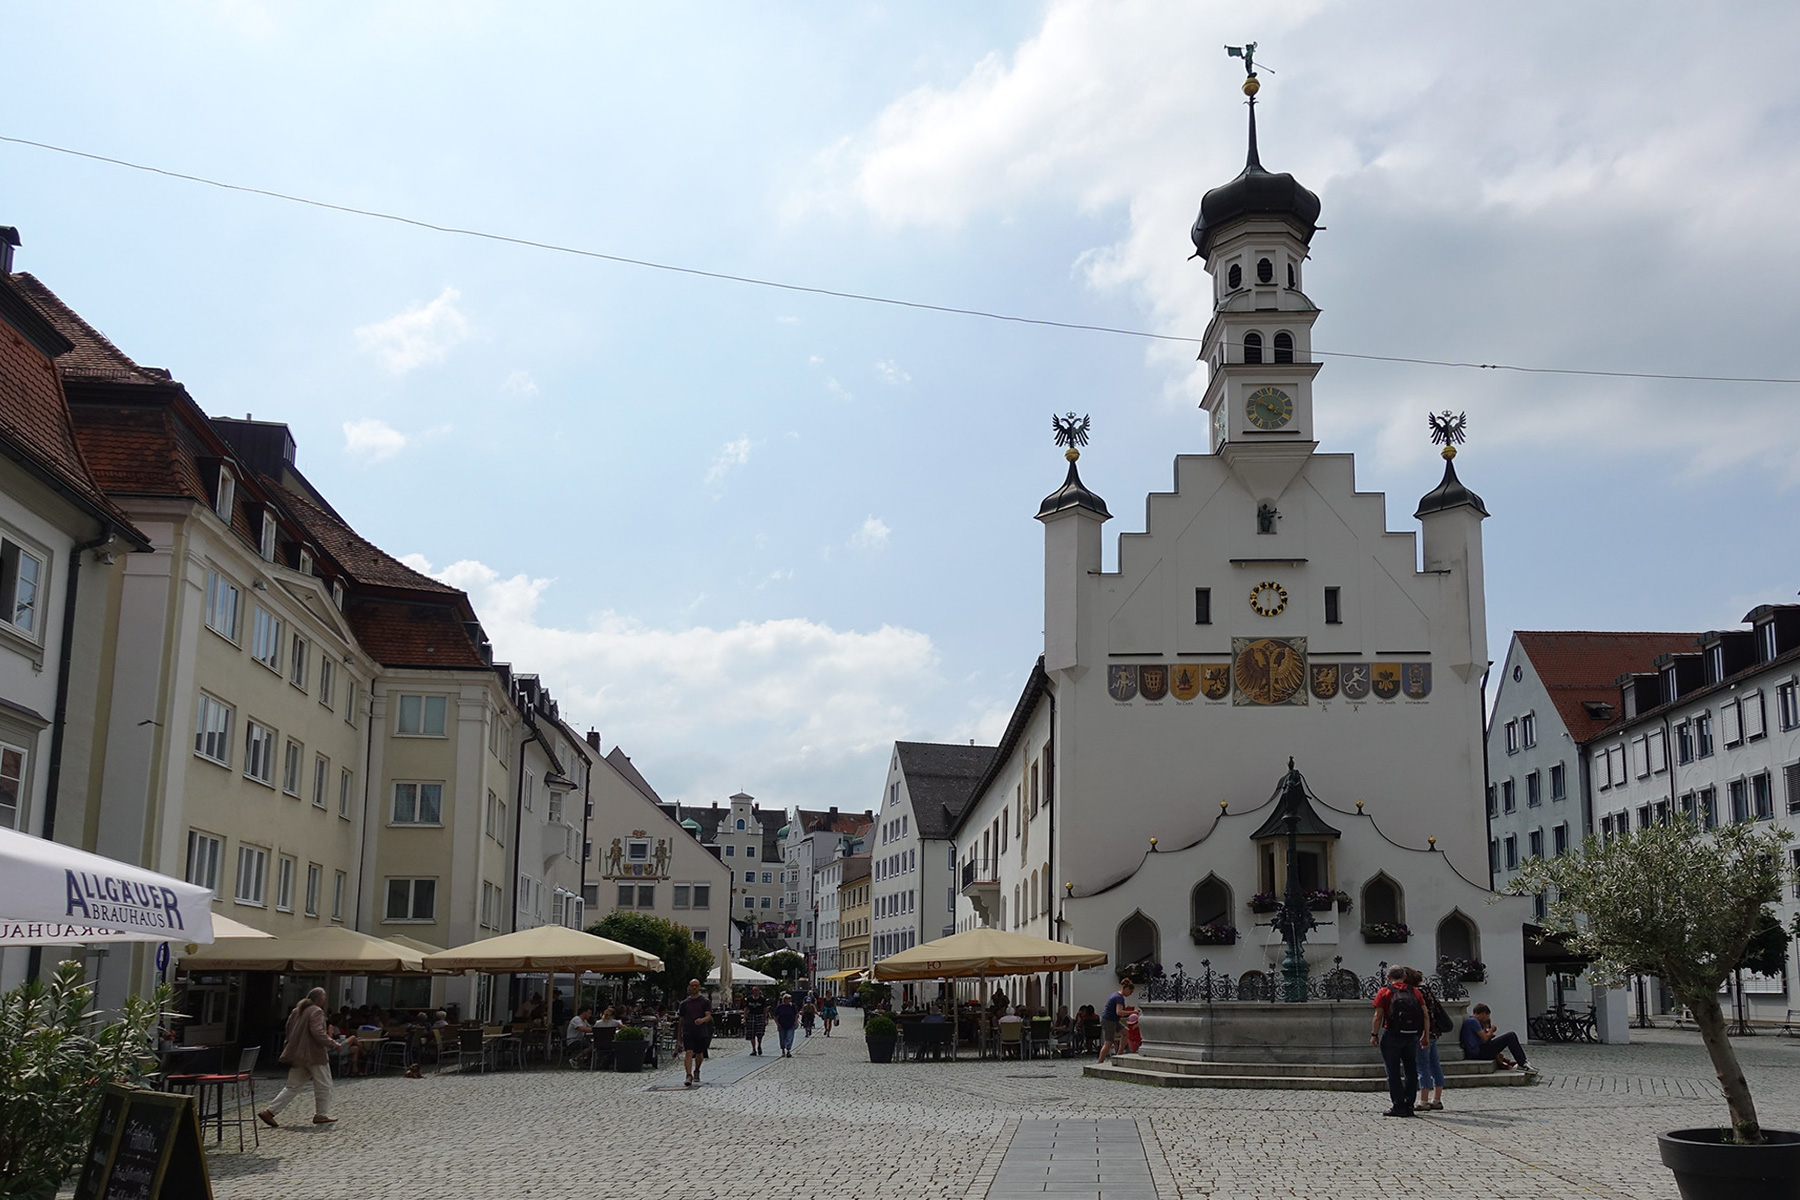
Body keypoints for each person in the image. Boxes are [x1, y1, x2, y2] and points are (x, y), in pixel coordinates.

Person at [260, 988, 337, 1127]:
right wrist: (333, 1043)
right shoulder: (316, 1011)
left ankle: (269, 1111)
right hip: (314, 1054)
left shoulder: (297, 1010)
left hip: (297, 1054)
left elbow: (288, 1030)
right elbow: (317, 1033)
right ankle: (321, 1115)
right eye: (324, 999)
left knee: (292, 1086)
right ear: (320, 1000)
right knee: (324, 1084)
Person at [1370, 965, 1428, 1117]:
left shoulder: (1385, 992)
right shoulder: (1414, 991)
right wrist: (1425, 1035)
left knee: (1393, 1071)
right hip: (1412, 1036)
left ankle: (1398, 1106)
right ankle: (1409, 1105)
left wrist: (1374, 1034)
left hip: (1392, 1035)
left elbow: (1378, 1015)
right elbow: (1425, 1014)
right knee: (1411, 1070)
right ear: (1405, 977)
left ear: (1389, 977)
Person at [1405, 967, 1446, 1112]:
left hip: (1424, 1032)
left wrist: (1424, 1034)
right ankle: (1437, 1099)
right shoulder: (1427, 989)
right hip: (1434, 1031)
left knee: (1422, 1065)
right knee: (1435, 1064)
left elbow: (1422, 1015)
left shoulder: (1417, 992)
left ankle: (1423, 1099)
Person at [1461, 1003, 1531, 1071]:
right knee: (1510, 1036)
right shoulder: (1473, 1021)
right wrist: (1491, 1030)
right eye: (1488, 1015)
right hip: (1478, 1052)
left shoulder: (1471, 1021)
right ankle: (1522, 1062)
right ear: (1484, 1013)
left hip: (1476, 1051)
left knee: (1509, 1037)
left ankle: (1521, 1061)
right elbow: (1485, 1038)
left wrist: (1489, 1034)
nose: (1487, 1018)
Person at [677, 978, 713, 1087]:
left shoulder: (705, 1002)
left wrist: (702, 1020)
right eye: (692, 985)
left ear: (699, 987)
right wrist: (679, 1034)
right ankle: (688, 1075)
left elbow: (708, 1015)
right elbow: (681, 1019)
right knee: (688, 1052)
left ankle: (697, 1070)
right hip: (688, 1031)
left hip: (700, 1031)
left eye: (696, 985)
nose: (694, 987)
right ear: (689, 987)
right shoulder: (684, 1003)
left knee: (699, 1053)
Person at [1096, 978, 1135, 1065]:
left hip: (1112, 1019)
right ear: (1126, 989)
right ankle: (1100, 1062)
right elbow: (1119, 1012)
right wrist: (1132, 1012)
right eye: (1130, 991)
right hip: (1109, 1020)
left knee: (1126, 1032)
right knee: (1109, 1042)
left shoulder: (1115, 994)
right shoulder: (1119, 998)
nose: (1130, 994)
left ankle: (1119, 1054)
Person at [773, 992, 800, 1057]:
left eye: (789, 999)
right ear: (784, 999)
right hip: (782, 1024)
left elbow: (796, 1014)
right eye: (787, 999)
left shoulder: (792, 1006)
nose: (789, 1000)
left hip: (791, 1024)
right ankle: (783, 1050)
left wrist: (796, 1021)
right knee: (782, 1038)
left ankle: (788, 1050)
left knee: (789, 1037)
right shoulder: (780, 1007)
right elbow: (775, 1016)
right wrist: (777, 1023)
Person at [744, 986, 769, 1056]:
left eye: (756, 990)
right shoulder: (749, 999)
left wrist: (765, 1019)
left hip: (759, 1016)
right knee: (751, 1034)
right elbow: (746, 1008)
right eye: (754, 990)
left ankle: (759, 1046)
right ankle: (753, 1049)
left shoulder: (762, 999)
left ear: (759, 991)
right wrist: (745, 1018)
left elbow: (764, 1010)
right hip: (751, 1016)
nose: (755, 992)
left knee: (759, 1034)